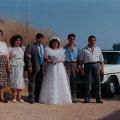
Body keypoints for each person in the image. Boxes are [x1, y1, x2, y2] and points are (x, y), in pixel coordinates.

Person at [39, 37, 72, 104]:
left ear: (58, 44)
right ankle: (51, 99)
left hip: (59, 67)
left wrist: (59, 60)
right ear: (51, 44)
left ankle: (63, 98)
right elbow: (45, 59)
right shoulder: (48, 50)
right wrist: (51, 61)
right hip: (51, 67)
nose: (55, 44)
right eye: (54, 43)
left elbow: (63, 59)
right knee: (52, 80)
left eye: (56, 43)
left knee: (61, 80)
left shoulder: (61, 50)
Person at [80, 35, 104, 103]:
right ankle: (87, 99)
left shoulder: (98, 48)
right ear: (88, 41)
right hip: (87, 65)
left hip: (96, 65)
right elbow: (81, 60)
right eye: (91, 40)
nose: (92, 41)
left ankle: (98, 99)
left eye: (94, 40)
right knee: (88, 83)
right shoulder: (84, 49)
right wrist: (81, 69)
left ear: (95, 41)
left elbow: (101, 59)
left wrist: (102, 68)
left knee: (97, 83)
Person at [25, 33, 44, 104]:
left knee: (39, 82)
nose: (40, 40)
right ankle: (31, 98)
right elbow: (28, 57)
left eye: (42, 38)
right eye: (39, 38)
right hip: (33, 67)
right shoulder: (31, 46)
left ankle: (37, 97)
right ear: (36, 39)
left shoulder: (43, 47)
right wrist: (29, 65)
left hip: (42, 68)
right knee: (32, 82)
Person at [64, 33, 80, 102]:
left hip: (74, 64)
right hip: (66, 64)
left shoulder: (77, 48)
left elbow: (79, 58)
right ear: (68, 39)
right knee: (66, 81)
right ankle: (67, 97)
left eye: (73, 39)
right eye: (70, 39)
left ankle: (74, 97)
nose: (72, 40)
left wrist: (78, 67)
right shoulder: (64, 48)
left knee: (73, 81)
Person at [9, 34, 25, 102]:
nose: (18, 41)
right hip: (13, 66)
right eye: (17, 40)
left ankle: (19, 97)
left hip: (20, 66)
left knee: (19, 81)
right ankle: (14, 97)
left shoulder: (22, 48)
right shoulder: (10, 49)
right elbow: (9, 58)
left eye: (19, 40)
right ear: (14, 41)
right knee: (13, 80)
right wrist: (8, 66)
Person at [0, 29, 9, 103]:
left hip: (3, 62)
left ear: (2, 36)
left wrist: (8, 64)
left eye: (0, 34)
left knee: (2, 80)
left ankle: (1, 97)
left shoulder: (4, 44)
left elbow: (7, 55)